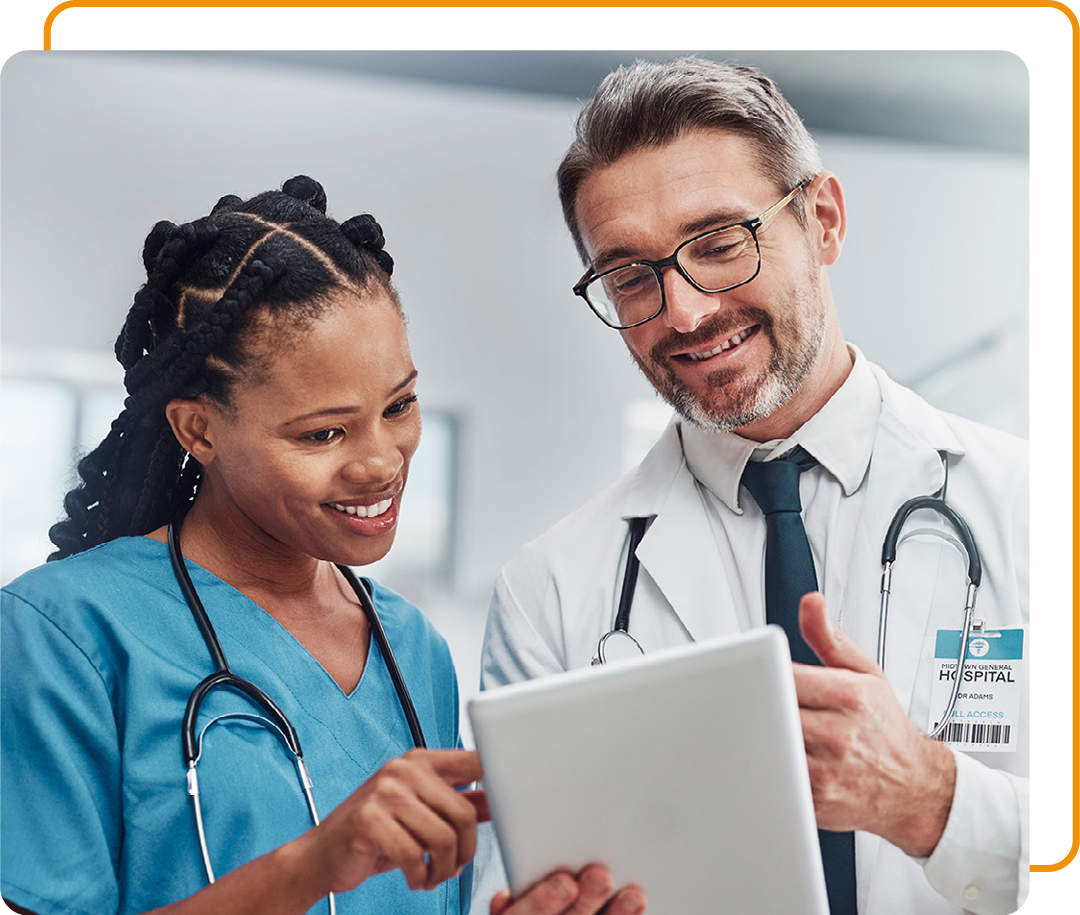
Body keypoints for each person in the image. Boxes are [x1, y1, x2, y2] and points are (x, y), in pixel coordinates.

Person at [0, 177, 646, 915]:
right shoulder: (61, 635)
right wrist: (313, 863)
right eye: (322, 432)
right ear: (198, 430)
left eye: (399, 405)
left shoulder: (413, 649)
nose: (382, 461)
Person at [479, 59, 1028, 915]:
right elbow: (503, 886)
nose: (686, 312)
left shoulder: (1038, 511)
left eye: (720, 244)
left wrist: (932, 800)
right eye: (630, 276)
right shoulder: (548, 591)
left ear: (823, 221)